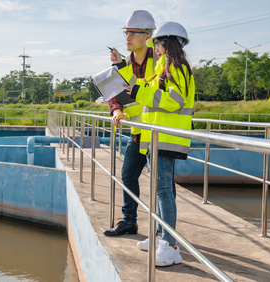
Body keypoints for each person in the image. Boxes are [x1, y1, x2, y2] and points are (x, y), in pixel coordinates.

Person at [123, 21, 195, 267]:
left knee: (164, 190)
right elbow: (145, 90)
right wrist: (127, 78)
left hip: (168, 137)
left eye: (158, 43)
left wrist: (138, 92)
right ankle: (159, 236)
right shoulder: (162, 69)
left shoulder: (178, 68)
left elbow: (173, 101)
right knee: (161, 189)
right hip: (156, 136)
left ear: (167, 43)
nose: (156, 47)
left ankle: (171, 245)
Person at [103, 10, 158, 237]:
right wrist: (116, 109)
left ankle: (162, 230)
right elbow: (114, 95)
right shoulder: (124, 64)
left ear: (147, 36)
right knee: (127, 176)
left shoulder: (160, 60)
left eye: (132, 33)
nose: (127, 37)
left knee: (161, 184)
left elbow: (153, 91)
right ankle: (129, 221)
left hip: (157, 131)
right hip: (137, 132)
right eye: (126, 33)